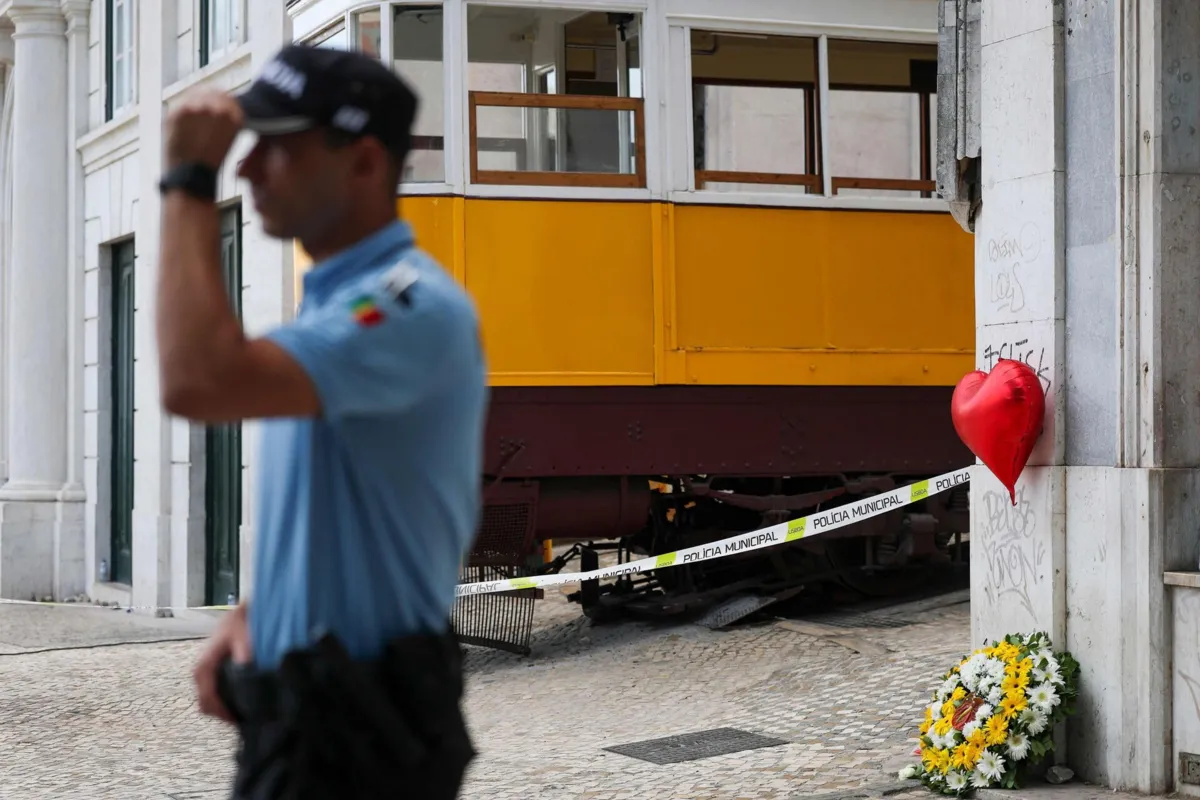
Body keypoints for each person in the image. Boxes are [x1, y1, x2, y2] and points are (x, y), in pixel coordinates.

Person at [155, 43, 487, 799]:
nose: (245, 170)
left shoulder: (401, 305)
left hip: (360, 732)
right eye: (247, 148)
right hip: (312, 717)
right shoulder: (342, 305)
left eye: (276, 147)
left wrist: (186, 181)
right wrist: (256, 613)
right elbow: (330, 506)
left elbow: (197, 381)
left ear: (365, 163)